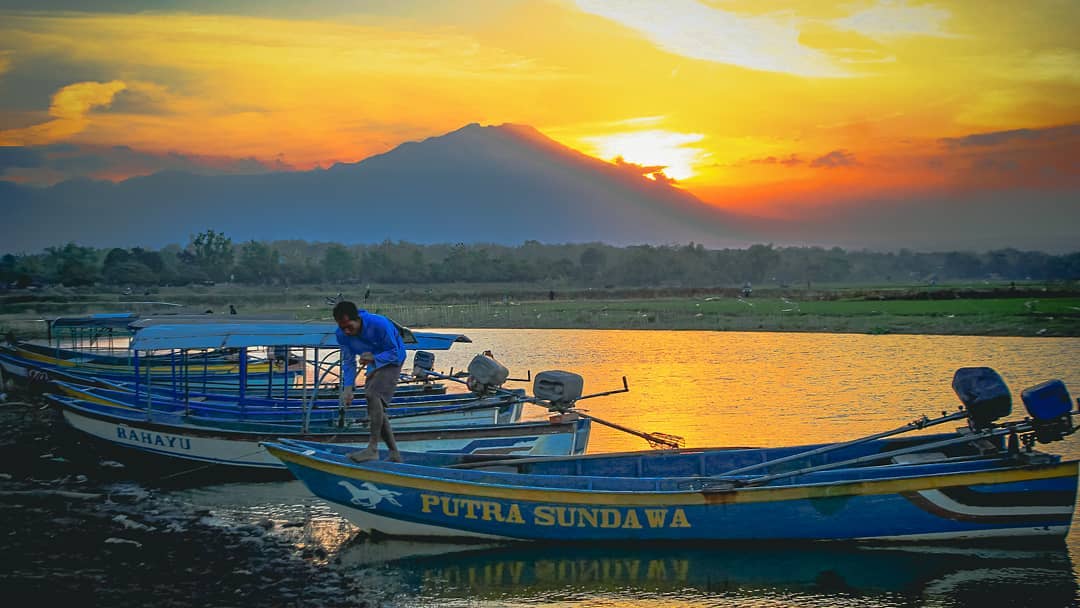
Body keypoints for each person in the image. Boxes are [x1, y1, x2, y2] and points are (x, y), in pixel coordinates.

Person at [333, 300, 405, 463]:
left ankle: (372, 448)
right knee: (375, 406)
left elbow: (394, 353)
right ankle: (394, 453)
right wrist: (348, 388)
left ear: (357, 319)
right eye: (342, 326)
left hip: (393, 360)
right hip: (372, 362)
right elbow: (348, 361)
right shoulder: (341, 335)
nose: (346, 331)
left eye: (349, 326)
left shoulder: (379, 324)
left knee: (372, 395)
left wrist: (374, 357)